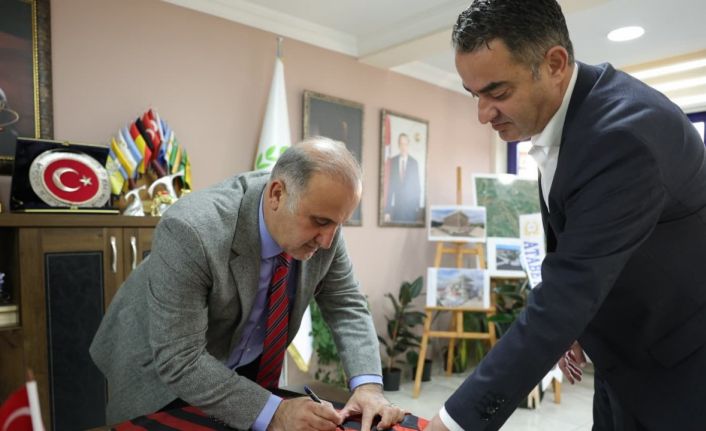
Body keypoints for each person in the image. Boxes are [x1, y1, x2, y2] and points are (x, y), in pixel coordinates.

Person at [425, 1, 706, 430]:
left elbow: (567, 291)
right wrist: (578, 326)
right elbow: (581, 243)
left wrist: (453, 424)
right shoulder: (572, 118)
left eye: (498, 93)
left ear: (554, 64)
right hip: (620, 357)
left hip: (681, 370)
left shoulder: (623, 137)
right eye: (474, 94)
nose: (483, 114)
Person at [90, 137, 405, 431]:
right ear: (277, 195)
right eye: (321, 222)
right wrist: (277, 413)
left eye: (338, 224)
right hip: (159, 368)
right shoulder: (192, 229)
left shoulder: (326, 229)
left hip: (242, 364)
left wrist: (368, 387)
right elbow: (179, 359)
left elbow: (346, 304)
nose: (327, 241)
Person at [384, 133, 422, 223]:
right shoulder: (392, 162)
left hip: (411, 210)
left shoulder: (414, 163)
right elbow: (389, 188)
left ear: (408, 145)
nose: (403, 147)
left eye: (405, 144)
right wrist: (387, 211)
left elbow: (417, 187)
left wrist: (416, 207)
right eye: (401, 144)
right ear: (398, 145)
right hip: (397, 210)